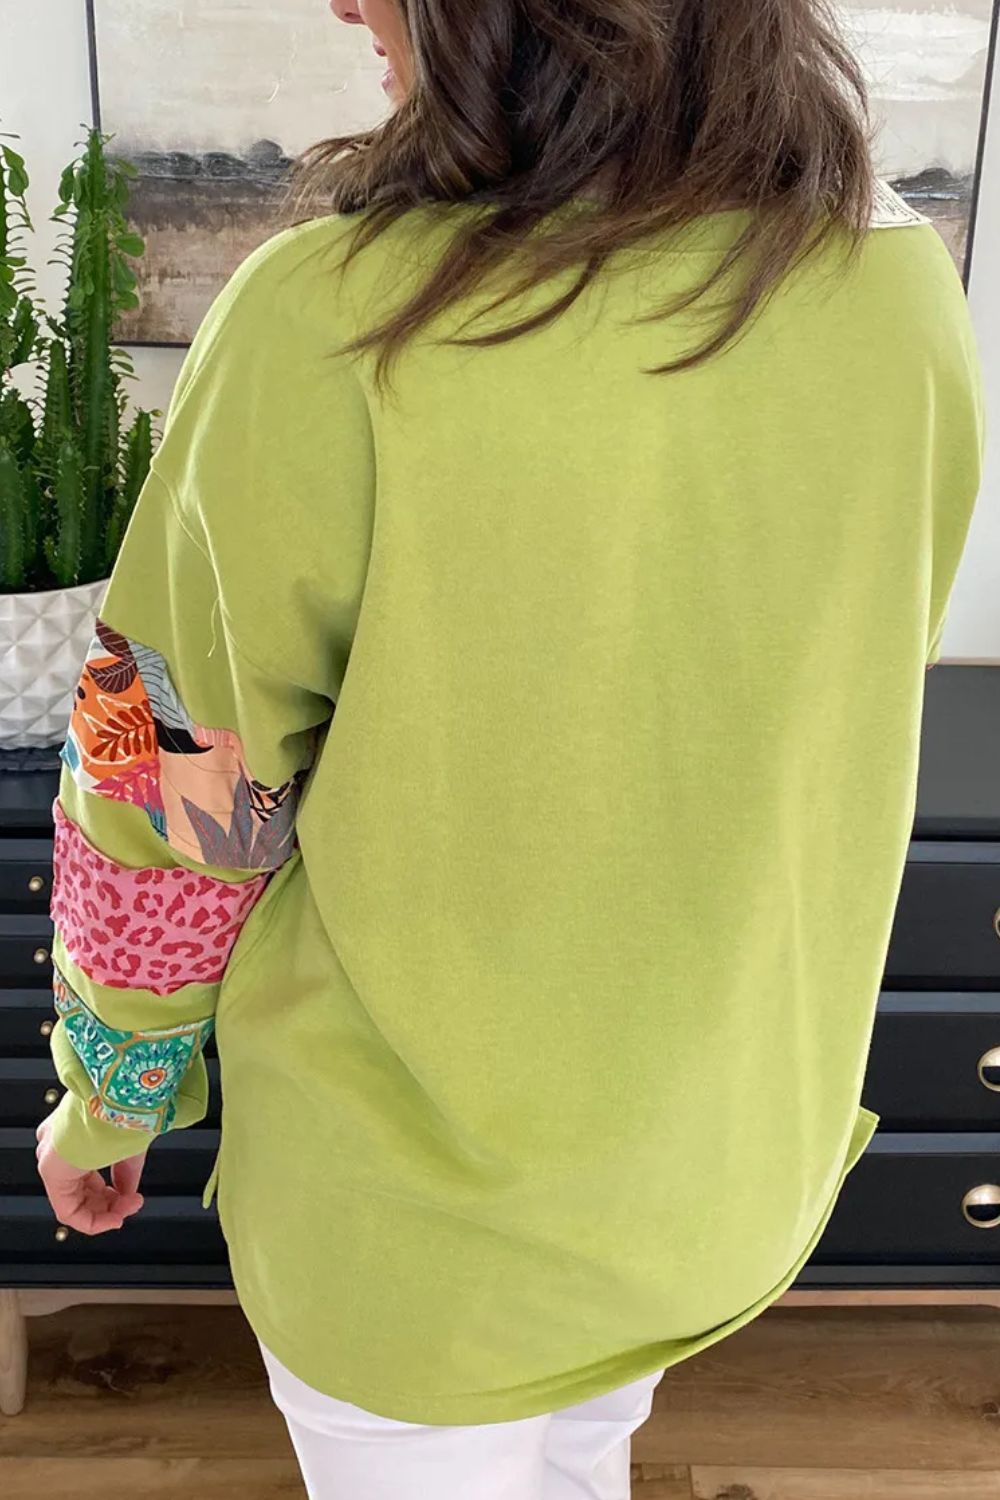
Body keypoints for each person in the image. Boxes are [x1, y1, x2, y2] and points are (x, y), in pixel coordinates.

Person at [35, 0, 983, 1495]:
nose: (346, 1)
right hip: (709, 1176)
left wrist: (110, 1088)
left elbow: (159, 765)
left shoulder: (332, 315)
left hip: (417, 1227)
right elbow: (834, 691)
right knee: (586, 1456)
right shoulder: (892, 288)